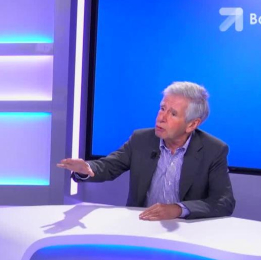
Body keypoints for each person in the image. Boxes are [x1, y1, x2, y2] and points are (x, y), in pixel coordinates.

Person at [58, 81, 235, 220]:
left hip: (186, 232)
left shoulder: (213, 150)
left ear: (192, 124)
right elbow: (109, 166)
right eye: (162, 108)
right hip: (141, 226)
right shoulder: (141, 140)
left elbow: (224, 202)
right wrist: (86, 169)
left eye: (173, 114)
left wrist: (178, 209)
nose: (161, 117)